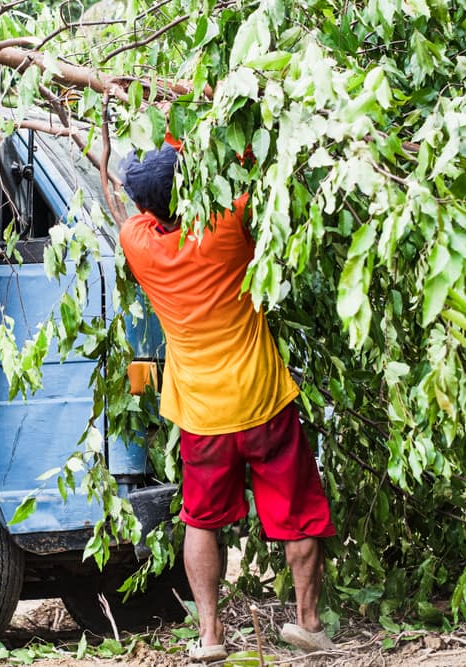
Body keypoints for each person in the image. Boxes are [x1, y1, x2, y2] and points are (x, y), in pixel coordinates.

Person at [117, 144, 337, 660]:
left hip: (201, 414)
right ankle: (307, 623)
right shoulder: (226, 225)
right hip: (263, 403)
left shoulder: (139, 244)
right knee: (299, 514)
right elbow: (254, 161)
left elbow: (129, 199)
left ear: (148, 209)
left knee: (201, 520)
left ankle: (210, 637)